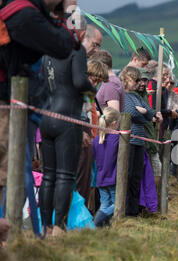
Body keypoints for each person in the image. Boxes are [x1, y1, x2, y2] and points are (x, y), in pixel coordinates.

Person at [0, 0, 79, 209]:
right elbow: (69, 43)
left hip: (22, 104)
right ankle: (11, 237)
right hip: (10, 107)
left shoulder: (21, 10)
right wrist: (70, 11)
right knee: (15, 178)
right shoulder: (25, 13)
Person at [39, 16, 97, 237]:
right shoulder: (75, 49)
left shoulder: (45, 48)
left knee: (48, 175)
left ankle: (44, 227)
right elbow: (79, 82)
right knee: (64, 176)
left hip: (46, 117)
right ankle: (58, 229)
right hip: (67, 118)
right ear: (80, 32)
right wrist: (93, 92)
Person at [119, 66, 161, 217]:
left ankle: (134, 210)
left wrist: (145, 113)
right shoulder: (123, 95)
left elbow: (148, 111)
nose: (137, 83)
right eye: (135, 80)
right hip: (128, 141)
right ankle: (126, 210)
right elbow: (131, 113)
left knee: (137, 176)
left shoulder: (137, 97)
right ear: (125, 79)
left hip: (139, 142)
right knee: (128, 175)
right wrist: (146, 115)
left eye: (138, 80)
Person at [76, 58, 108, 206]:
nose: (95, 84)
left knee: (87, 178)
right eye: (94, 80)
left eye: (98, 82)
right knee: (79, 176)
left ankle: (84, 211)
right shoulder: (78, 87)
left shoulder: (89, 93)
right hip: (77, 128)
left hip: (87, 130)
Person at [92, 107, 120, 227]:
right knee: (116, 205)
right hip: (113, 179)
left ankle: (104, 228)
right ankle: (96, 222)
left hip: (101, 179)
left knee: (104, 204)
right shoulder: (118, 139)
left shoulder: (96, 140)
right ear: (114, 123)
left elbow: (94, 158)